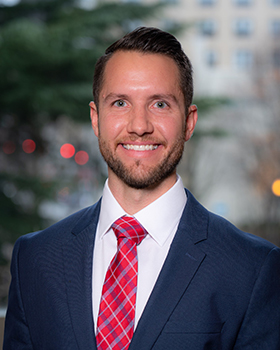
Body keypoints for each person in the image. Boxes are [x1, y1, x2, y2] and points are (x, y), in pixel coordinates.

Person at [3, 27, 280, 350]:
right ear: (96, 119)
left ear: (189, 122)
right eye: (120, 102)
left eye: (160, 105)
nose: (139, 126)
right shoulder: (34, 259)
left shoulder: (253, 269)